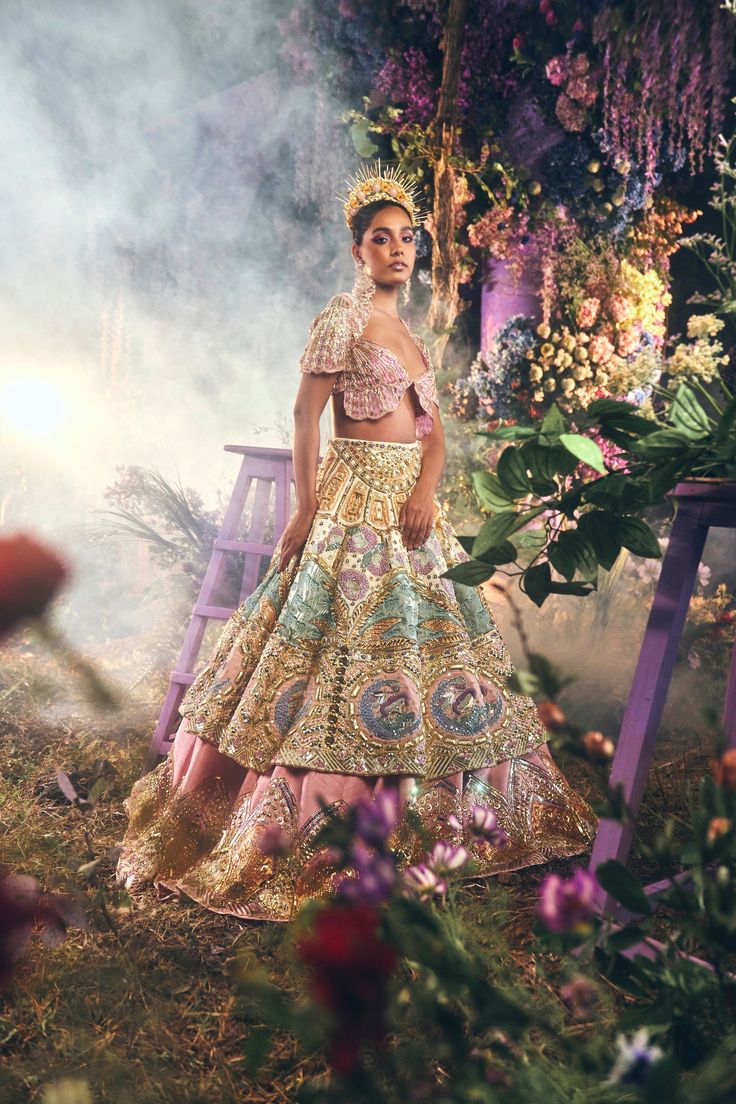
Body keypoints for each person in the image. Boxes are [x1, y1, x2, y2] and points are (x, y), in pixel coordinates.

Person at [115, 161, 596, 922]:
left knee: (430, 645)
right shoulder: (341, 316)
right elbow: (307, 417)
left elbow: (436, 433)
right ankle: (309, 815)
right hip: (351, 499)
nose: (399, 251)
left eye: (408, 239)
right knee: (332, 648)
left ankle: (434, 812)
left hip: (410, 505)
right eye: (382, 239)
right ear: (358, 252)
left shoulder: (410, 333)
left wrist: (427, 491)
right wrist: (306, 509)